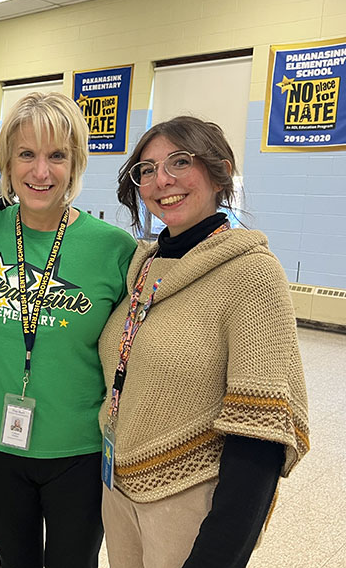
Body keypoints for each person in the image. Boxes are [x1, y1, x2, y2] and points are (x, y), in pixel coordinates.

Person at [98, 115, 310, 568]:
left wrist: (219, 553)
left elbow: (261, 432)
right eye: (148, 169)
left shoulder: (251, 274)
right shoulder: (144, 265)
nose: (162, 180)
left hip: (188, 503)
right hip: (117, 487)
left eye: (180, 161)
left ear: (220, 172)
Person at [0, 92, 136, 568]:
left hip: (77, 449)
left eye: (57, 155)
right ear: (7, 162)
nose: (41, 172)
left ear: (76, 163)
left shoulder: (113, 250)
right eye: (27, 154)